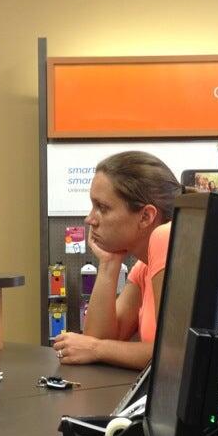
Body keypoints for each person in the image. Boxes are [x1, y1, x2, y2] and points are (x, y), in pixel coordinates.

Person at [53, 151, 182, 369]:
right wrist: (109, 263)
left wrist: (96, 348)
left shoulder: (167, 238)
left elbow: (173, 355)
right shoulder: (144, 266)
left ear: (146, 216)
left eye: (102, 208)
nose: (90, 219)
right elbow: (100, 338)